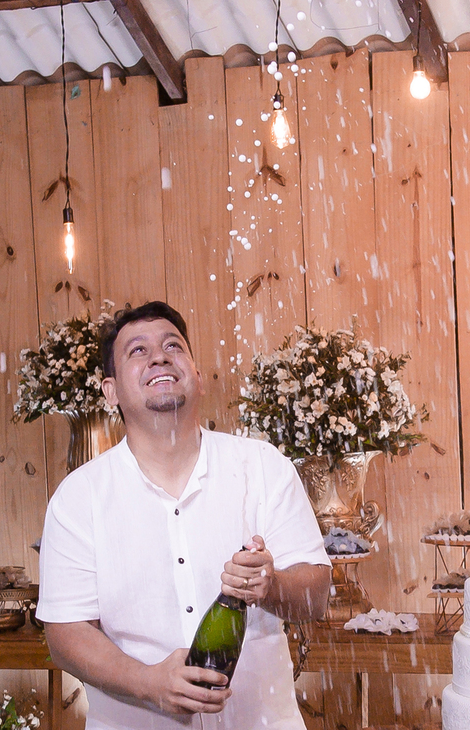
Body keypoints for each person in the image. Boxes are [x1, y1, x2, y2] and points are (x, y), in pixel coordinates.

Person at [37, 301, 332, 729]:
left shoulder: (263, 467)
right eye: (137, 351)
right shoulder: (78, 499)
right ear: (111, 392)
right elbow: (65, 636)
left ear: (196, 374)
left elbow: (317, 595)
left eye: (172, 345)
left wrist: (270, 585)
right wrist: (149, 683)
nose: (159, 355)